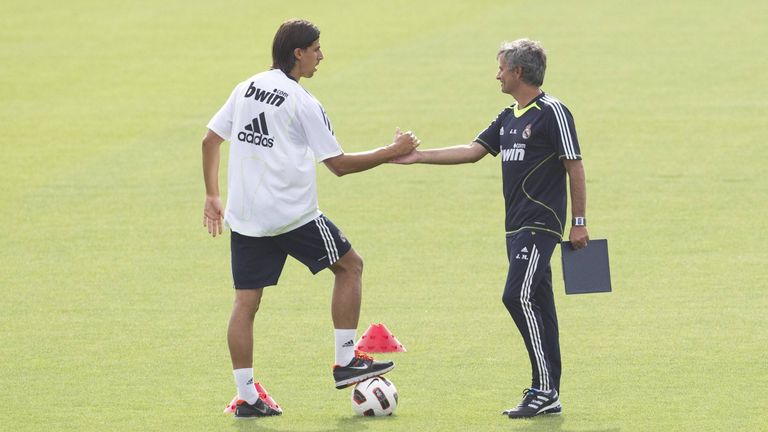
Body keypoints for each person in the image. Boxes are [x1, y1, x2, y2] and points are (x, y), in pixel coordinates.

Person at [201, 19, 420, 418]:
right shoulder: (303, 102)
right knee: (351, 266)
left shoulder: (246, 86)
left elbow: (210, 140)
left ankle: (246, 397)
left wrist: (213, 195)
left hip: (247, 218)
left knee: (245, 304)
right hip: (292, 216)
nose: (321, 55)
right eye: (316, 48)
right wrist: (393, 150)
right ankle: (346, 360)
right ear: (297, 53)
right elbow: (338, 165)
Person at [393, 38, 589, 419]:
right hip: (514, 228)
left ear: (518, 72)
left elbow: (574, 165)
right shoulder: (507, 116)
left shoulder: (552, 112)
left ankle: (545, 388)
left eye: (501, 67)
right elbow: (472, 151)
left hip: (541, 224)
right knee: (540, 305)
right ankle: (548, 392)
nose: (496, 74)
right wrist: (418, 157)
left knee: (516, 296)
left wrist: (579, 223)